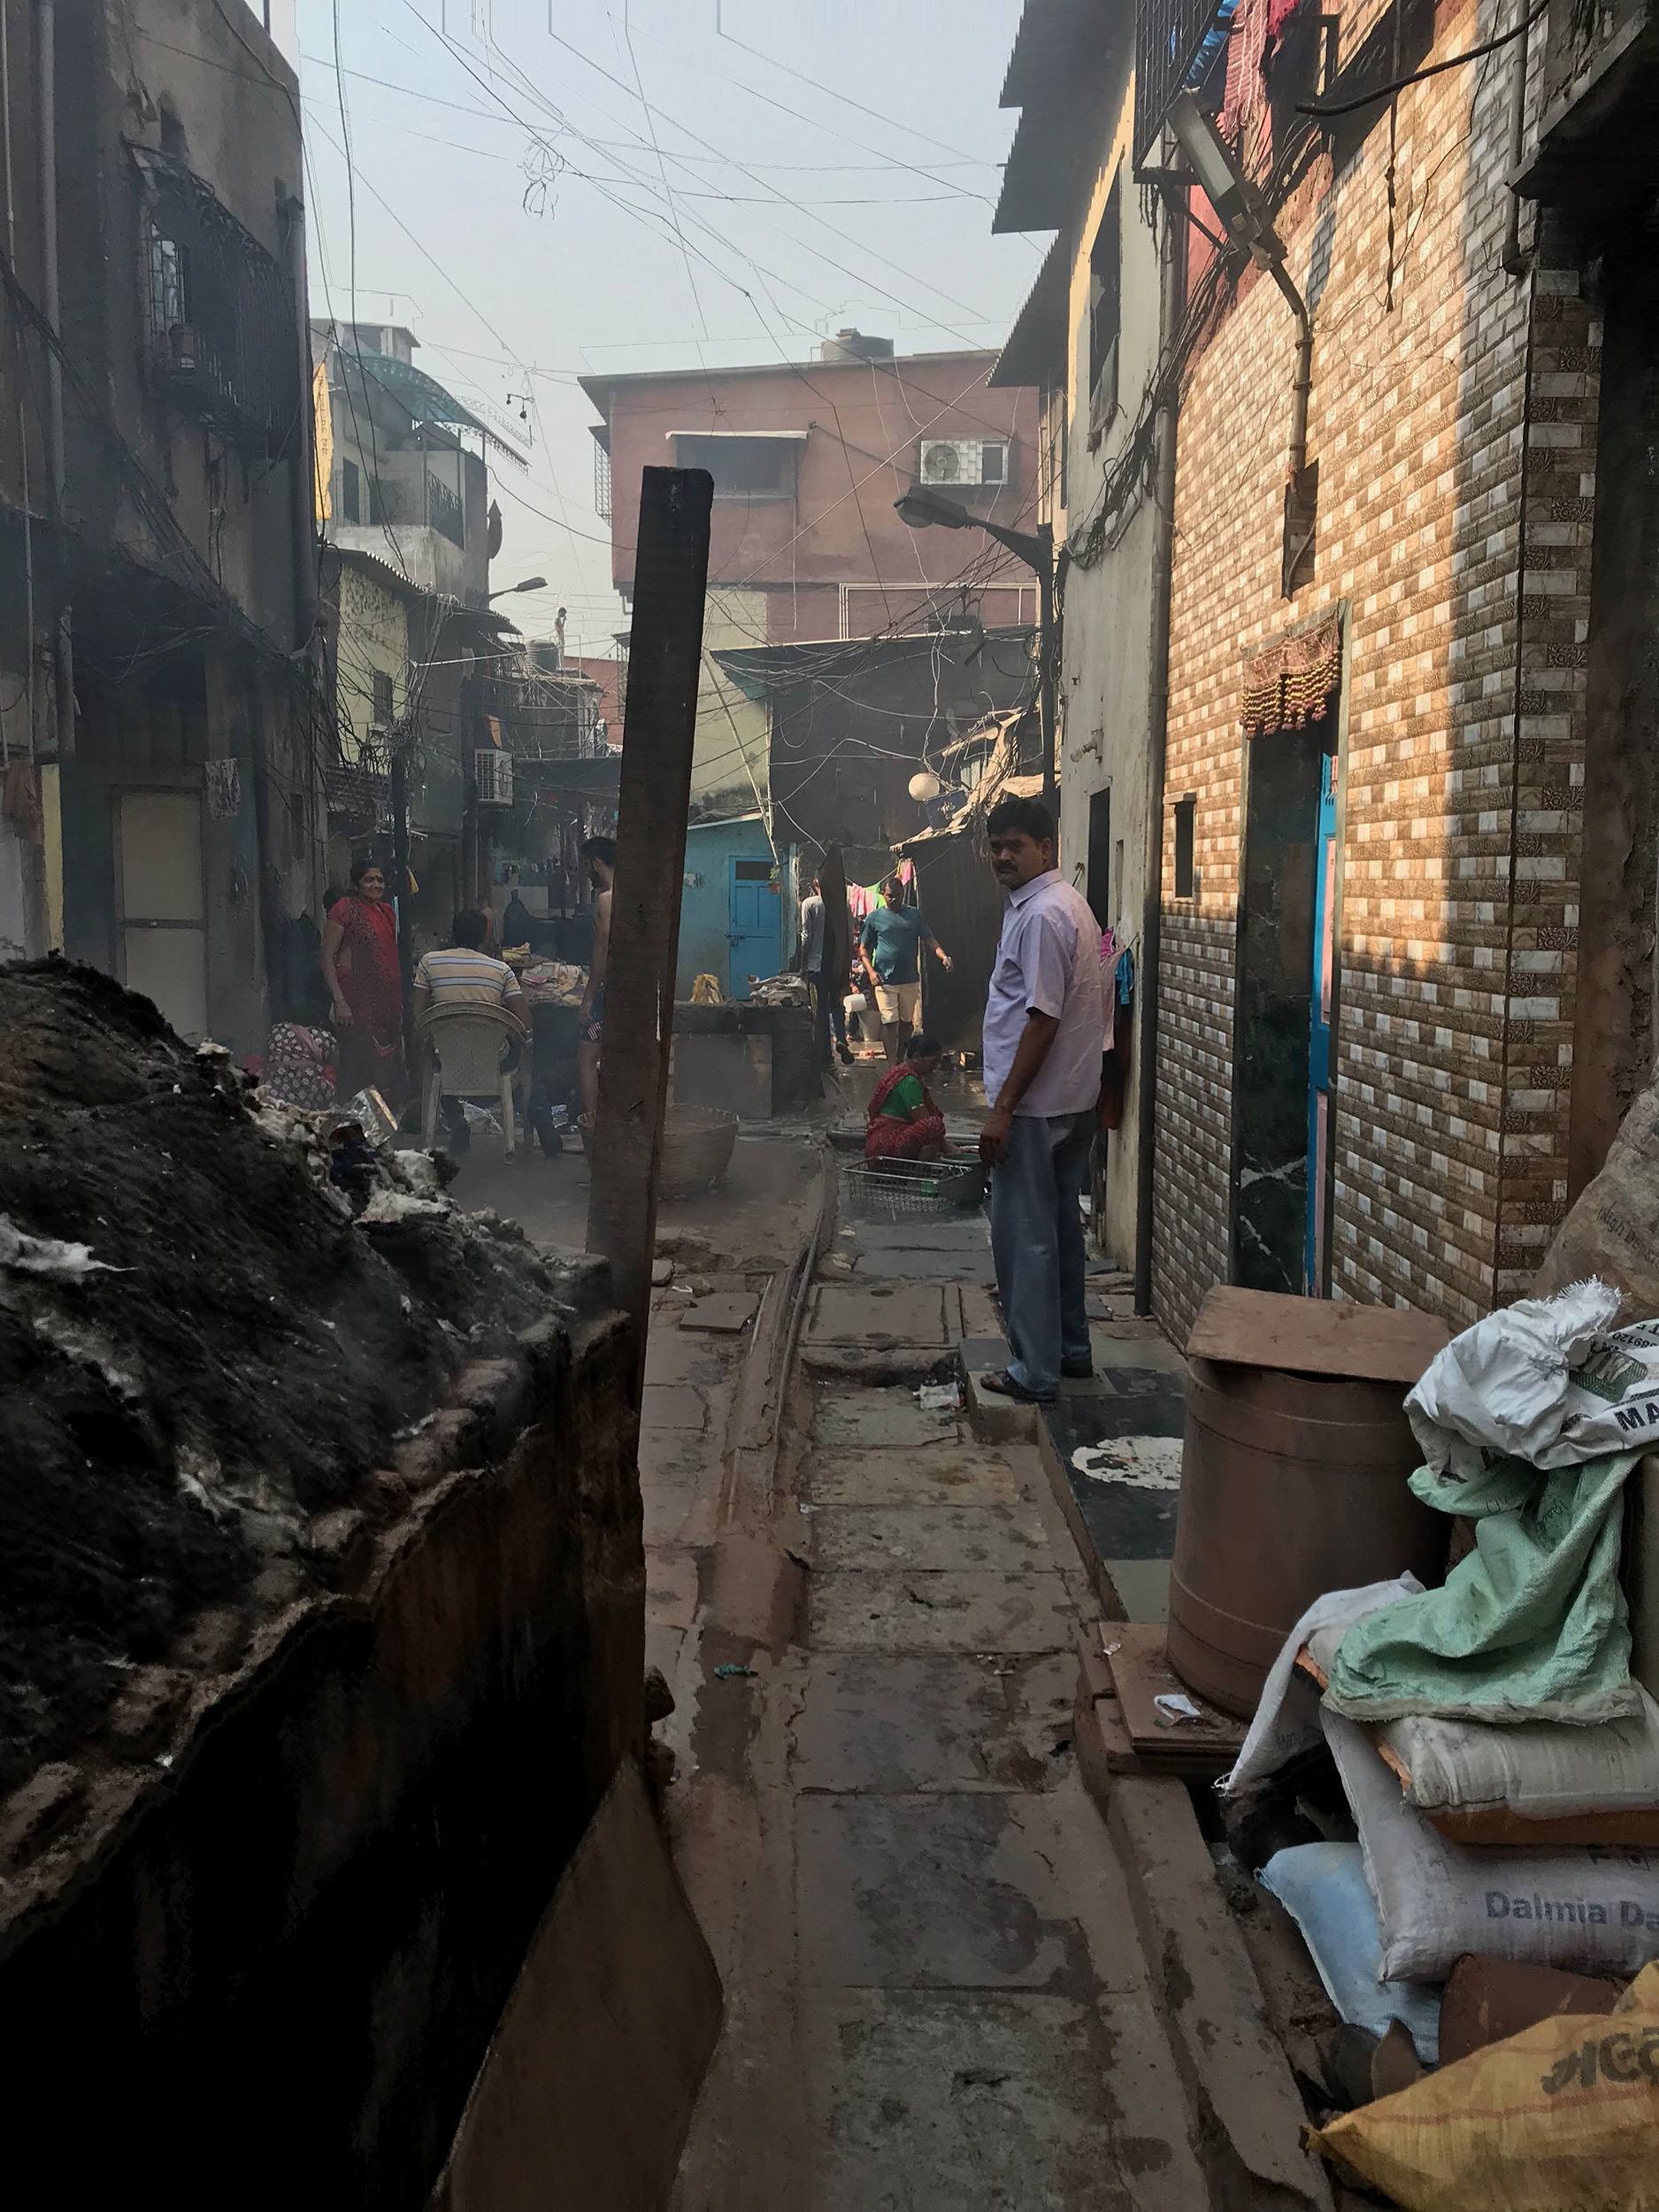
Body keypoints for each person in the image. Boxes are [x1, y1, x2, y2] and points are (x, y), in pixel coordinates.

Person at [977, 795, 1108, 1406]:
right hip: (1071, 1098)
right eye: (996, 845)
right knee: (1058, 1229)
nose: (1003, 856)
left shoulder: (1040, 916)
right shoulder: (1065, 904)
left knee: (1024, 1236)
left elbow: (1041, 1019)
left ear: (1045, 848)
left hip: (1034, 1107)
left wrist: (1002, 1108)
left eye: (1015, 845)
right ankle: (1070, 1351)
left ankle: (1034, 1370)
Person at [412, 909, 562, 1157]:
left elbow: (418, 1015)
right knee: (526, 1060)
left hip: (446, 1057)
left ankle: (456, 1118)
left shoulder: (429, 962)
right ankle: (539, 1113)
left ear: (452, 933)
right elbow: (526, 1021)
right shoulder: (501, 970)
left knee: (437, 1059)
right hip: (494, 1059)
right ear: (484, 937)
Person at [321, 857, 406, 1102]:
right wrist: (339, 1000)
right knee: (358, 1062)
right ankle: (355, 1123)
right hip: (355, 999)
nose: (376, 885)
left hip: (385, 1002)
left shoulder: (387, 912)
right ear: (357, 883)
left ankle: (382, 1126)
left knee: (386, 1065)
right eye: (369, 880)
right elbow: (327, 956)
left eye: (380, 880)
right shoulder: (345, 909)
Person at [858, 872, 952, 1065]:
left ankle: (901, 1060)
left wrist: (943, 956)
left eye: (897, 896)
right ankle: (893, 1066)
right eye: (890, 895)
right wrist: (871, 972)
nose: (893, 899)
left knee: (906, 1023)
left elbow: (929, 939)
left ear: (903, 895)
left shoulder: (913, 915)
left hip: (909, 979)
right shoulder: (874, 918)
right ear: (883, 894)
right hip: (884, 979)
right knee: (889, 1021)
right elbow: (863, 949)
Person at [576, 833, 616, 1125]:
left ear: (597, 864)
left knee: (587, 1055)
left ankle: (592, 1126)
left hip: (612, 993)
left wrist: (588, 999)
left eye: (587, 867)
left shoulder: (606, 900)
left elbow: (602, 952)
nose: (587, 875)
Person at [864, 1031, 949, 1163]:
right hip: (887, 1146)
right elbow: (925, 1121)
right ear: (916, 1057)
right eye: (933, 1062)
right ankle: (919, 1169)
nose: (935, 1067)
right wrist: (954, 1151)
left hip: (878, 1143)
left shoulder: (900, 1073)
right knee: (934, 1126)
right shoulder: (909, 1081)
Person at [797, 874, 854, 1065]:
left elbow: (806, 936)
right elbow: (848, 936)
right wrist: (846, 966)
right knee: (837, 1005)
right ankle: (841, 1039)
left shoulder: (809, 904)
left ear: (815, 885)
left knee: (819, 1011)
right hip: (836, 966)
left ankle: (826, 1055)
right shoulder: (844, 904)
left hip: (816, 967)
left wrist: (803, 965)